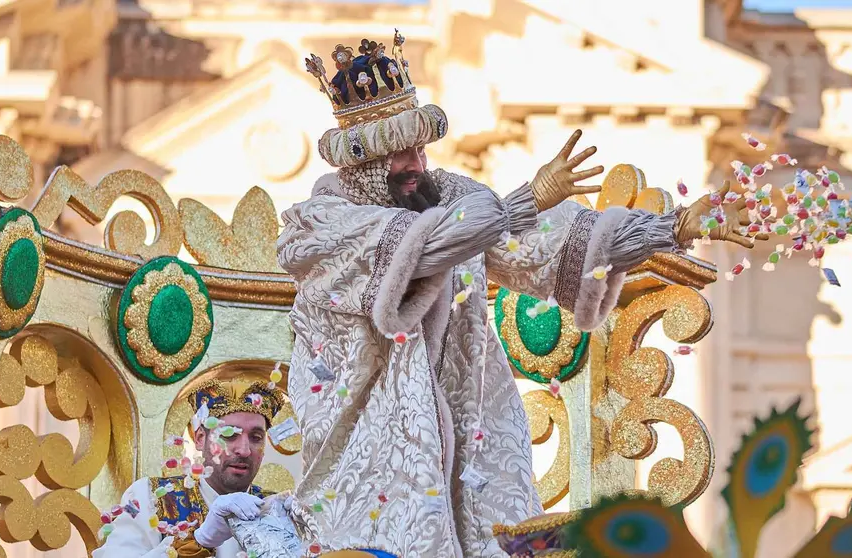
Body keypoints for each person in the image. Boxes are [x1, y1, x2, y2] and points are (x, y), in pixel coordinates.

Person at [277, 31, 760, 558]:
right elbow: (437, 245)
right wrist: (528, 199)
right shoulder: (321, 228)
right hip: (370, 464)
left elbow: (546, 248)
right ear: (363, 165)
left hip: (469, 451)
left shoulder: (453, 202)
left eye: (418, 146)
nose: (416, 161)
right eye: (398, 154)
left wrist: (678, 226)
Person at [93, 377, 288, 558]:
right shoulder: (150, 497)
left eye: (256, 438)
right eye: (229, 435)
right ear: (201, 439)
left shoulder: (276, 510)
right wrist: (200, 540)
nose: (244, 450)